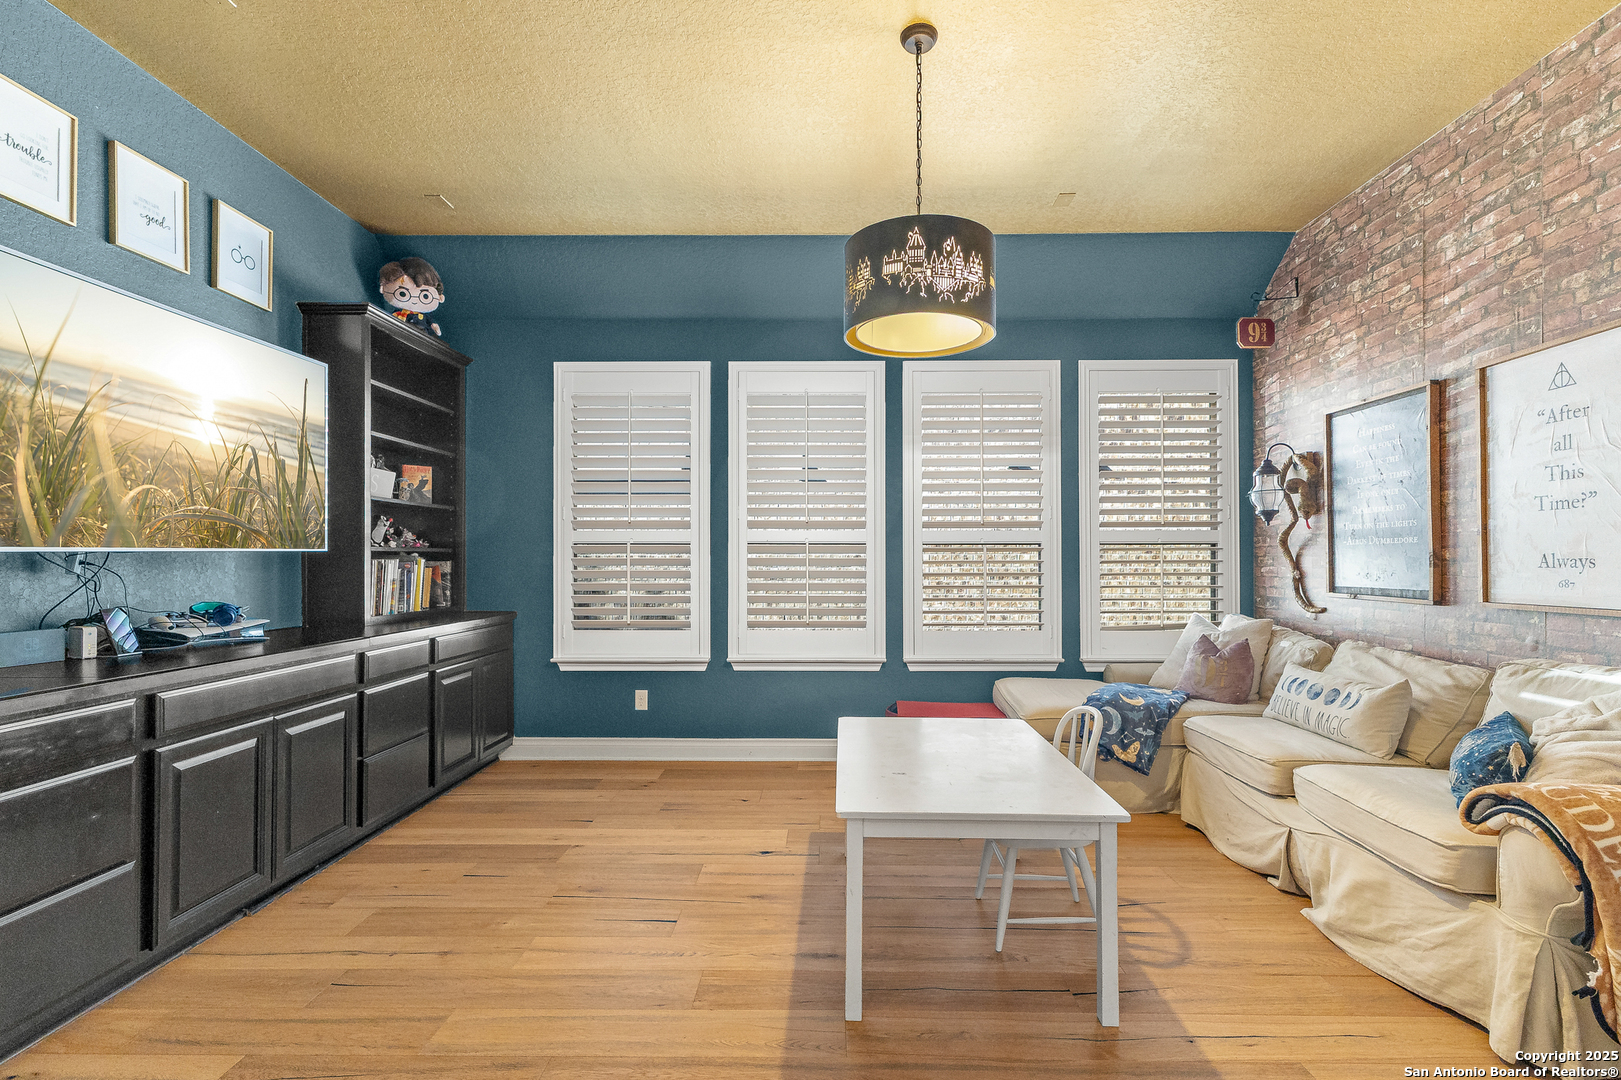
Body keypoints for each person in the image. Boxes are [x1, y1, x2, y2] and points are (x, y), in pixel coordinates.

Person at [378, 257, 445, 336]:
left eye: (425, 296)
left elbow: (430, 324)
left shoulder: (426, 317)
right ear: (382, 289)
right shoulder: (399, 314)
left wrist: (435, 328)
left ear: (440, 298)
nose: (414, 301)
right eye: (403, 293)